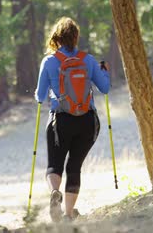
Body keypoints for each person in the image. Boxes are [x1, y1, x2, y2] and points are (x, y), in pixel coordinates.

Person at [35, 17, 110, 222]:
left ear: (57, 37)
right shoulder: (88, 60)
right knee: (74, 166)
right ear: (76, 37)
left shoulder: (49, 61)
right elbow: (105, 88)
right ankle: (68, 214)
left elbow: (40, 97)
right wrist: (105, 72)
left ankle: (54, 193)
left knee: (55, 164)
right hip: (87, 121)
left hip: (60, 121)